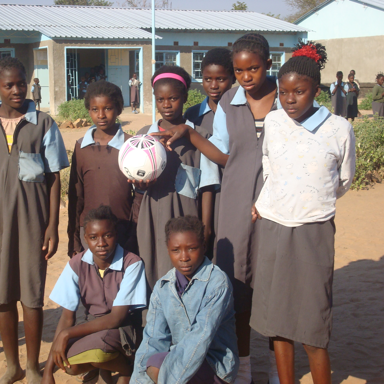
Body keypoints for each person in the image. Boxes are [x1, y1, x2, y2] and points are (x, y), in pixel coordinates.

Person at [153, 34, 289, 384]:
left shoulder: (286, 97)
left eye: (253, 68)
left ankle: (276, 370)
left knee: (275, 287)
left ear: (268, 64)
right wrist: (192, 134)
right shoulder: (230, 100)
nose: (245, 77)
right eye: (240, 70)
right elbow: (226, 157)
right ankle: (243, 368)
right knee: (238, 285)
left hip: (279, 205)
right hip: (237, 202)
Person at [251, 41, 356, 384]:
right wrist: (271, 202)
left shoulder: (339, 129)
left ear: (316, 90)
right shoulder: (274, 122)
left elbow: (344, 179)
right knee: (277, 320)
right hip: (272, 226)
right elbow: (268, 164)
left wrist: (310, 201)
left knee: (312, 321)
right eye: (284, 92)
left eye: (300, 91)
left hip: (314, 229)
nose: (290, 99)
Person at [0, 57, 69, 384]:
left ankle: (33, 366)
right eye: (8, 85)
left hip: (32, 224)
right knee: (2, 295)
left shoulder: (44, 124)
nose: (16, 90)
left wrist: (52, 225)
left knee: (32, 295)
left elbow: (53, 178)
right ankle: (12, 365)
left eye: (20, 84)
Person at [42, 205, 147, 384]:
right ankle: (106, 369)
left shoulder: (132, 263)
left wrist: (67, 334)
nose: (101, 243)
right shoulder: (76, 264)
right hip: (91, 326)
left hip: (122, 330)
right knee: (68, 364)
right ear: (85, 239)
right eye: (93, 237)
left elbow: (116, 318)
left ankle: (126, 369)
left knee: (100, 350)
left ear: (116, 234)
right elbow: (67, 318)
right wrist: (48, 372)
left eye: (108, 235)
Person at [131, 216, 239, 384]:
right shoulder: (162, 287)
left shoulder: (217, 283)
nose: (184, 257)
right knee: (151, 361)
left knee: (162, 367)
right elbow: (153, 338)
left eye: (191, 248)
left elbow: (200, 338)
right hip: (178, 357)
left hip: (214, 363)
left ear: (203, 247)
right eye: (176, 250)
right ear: (168, 249)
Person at [133, 65, 212, 294]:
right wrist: (139, 186)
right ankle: (154, 324)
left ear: (185, 97)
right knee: (152, 266)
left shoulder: (199, 136)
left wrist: (205, 229)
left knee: (185, 275)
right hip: (152, 215)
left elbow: (207, 185)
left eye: (173, 98)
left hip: (186, 216)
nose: (166, 105)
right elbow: (136, 184)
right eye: (161, 99)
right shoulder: (143, 137)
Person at [68, 81, 141, 258]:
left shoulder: (131, 145)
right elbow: (75, 196)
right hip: (90, 233)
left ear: (118, 109)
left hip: (123, 230)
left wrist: (133, 234)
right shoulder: (81, 148)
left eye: (107, 108)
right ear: (88, 110)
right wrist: (74, 237)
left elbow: (139, 194)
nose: (101, 115)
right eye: (95, 109)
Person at [183, 47, 235, 259]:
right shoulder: (193, 114)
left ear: (233, 78)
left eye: (221, 79)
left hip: (231, 190)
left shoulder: (241, 112)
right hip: (201, 193)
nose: (213, 86)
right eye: (207, 79)